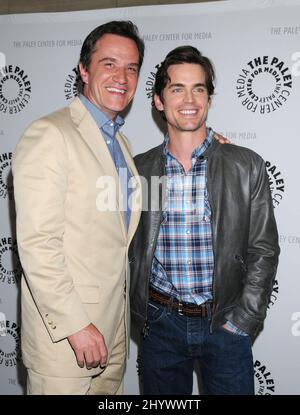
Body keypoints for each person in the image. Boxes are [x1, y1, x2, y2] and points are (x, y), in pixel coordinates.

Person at [129, 45, 280, 395]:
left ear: (209, 99)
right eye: (177, 88)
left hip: (225, 324)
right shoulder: (141, 170)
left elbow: (263, 249)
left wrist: (243, 320)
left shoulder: (245, 165)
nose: (189, 99)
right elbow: (123, 246)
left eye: (199, 88)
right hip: (160, 324)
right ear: (158, 100)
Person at [12, 20, 145, 395]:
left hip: (113, 333)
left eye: (131, 68)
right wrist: (75, 326)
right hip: (68, 341)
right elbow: (39, 243)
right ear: (84, 69)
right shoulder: (51, 134)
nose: (122, 76)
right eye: (109, 64)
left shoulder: (124, 147)